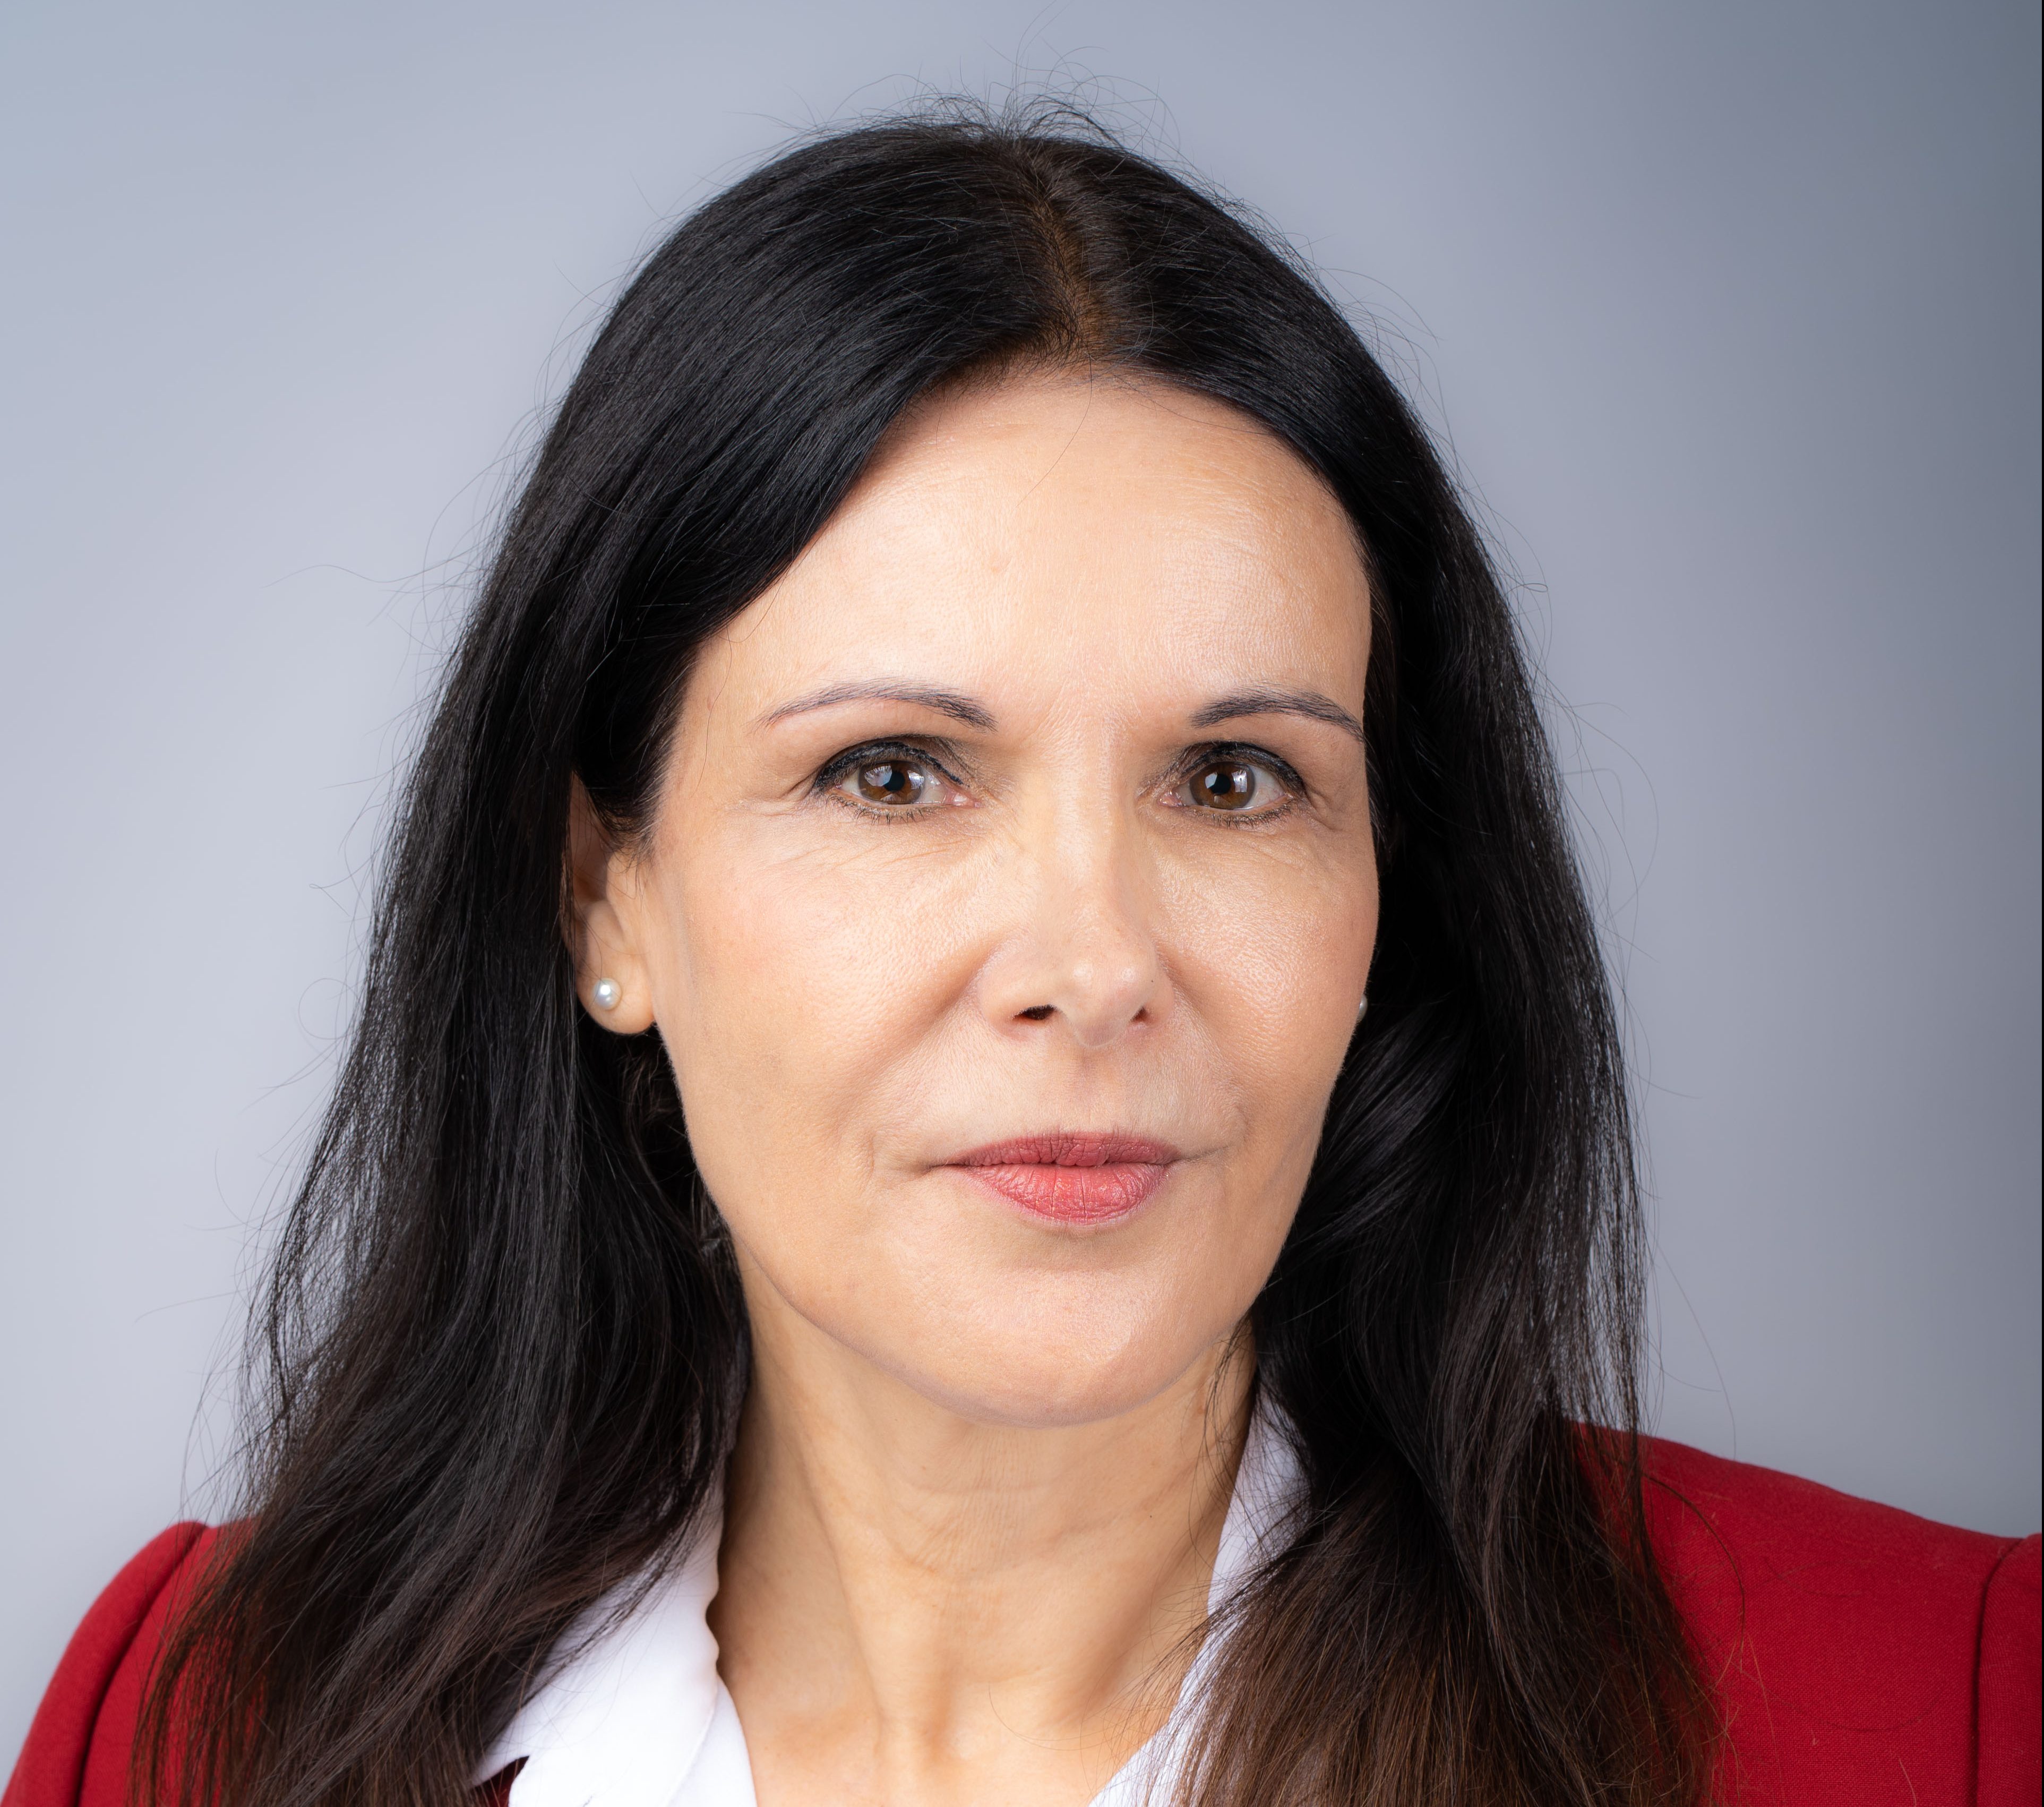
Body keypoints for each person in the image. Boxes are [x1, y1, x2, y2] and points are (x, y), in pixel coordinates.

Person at [6, 107, 2037, 1807]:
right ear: (605, 897)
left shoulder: (1943, 1712)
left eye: (1232, 780)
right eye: (891, 772)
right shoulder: (191, 1726)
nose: (1090, 961)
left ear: (1389, 897)